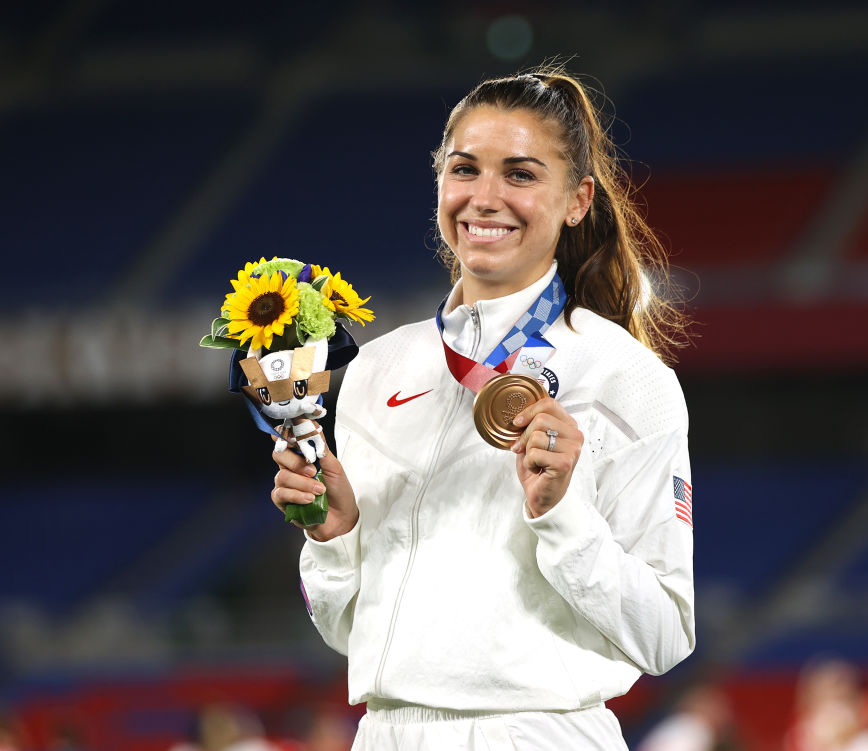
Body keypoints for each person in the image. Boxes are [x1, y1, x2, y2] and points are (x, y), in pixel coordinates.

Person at [270, 66, 696, 750]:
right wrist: (335, 534)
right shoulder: (381, 367)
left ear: (577, 199)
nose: (485, 197)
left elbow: (666, 635)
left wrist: (563, 515)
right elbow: (348, 632)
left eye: (521, 174)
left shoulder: (624, 376)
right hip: (385, 732)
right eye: (465, 169)